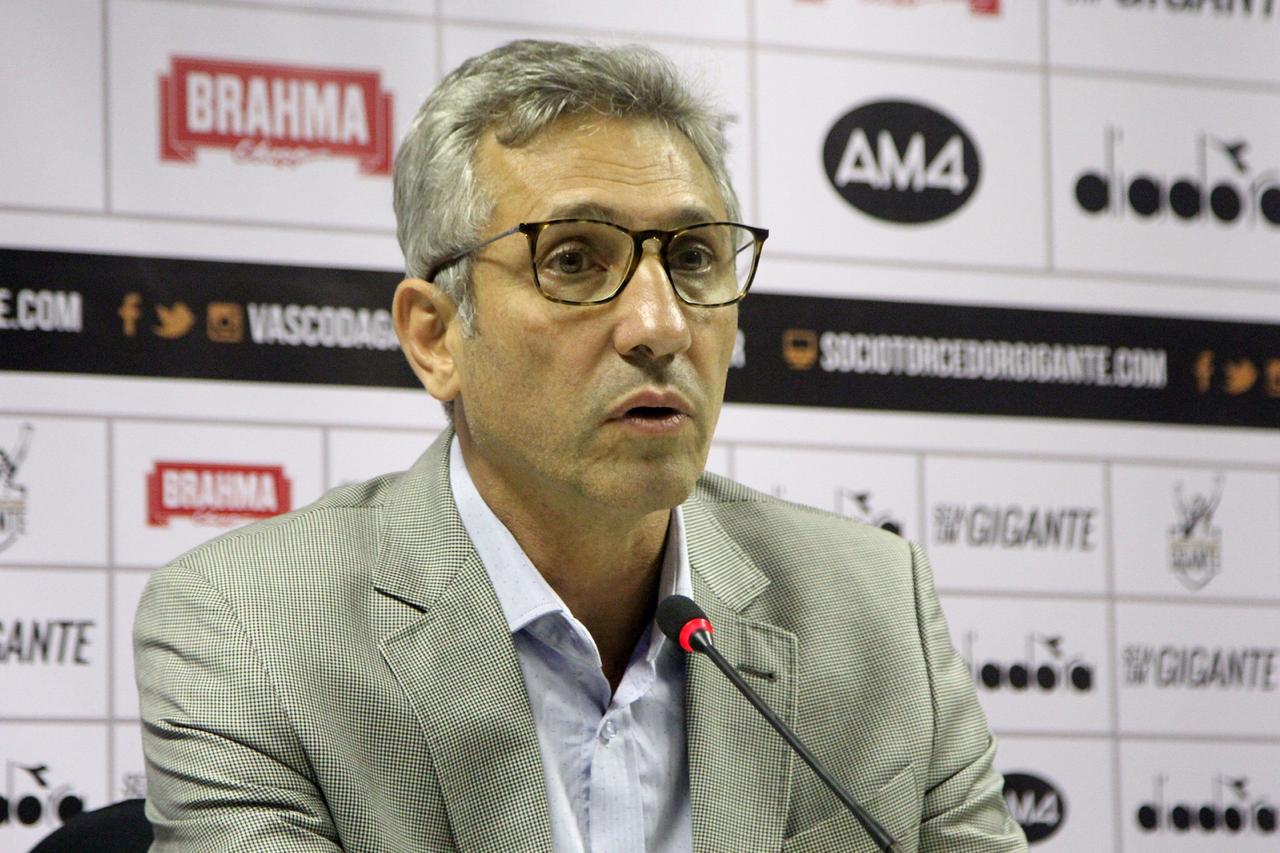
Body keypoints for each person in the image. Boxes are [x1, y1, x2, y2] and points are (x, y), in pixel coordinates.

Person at [134, 40, 1026, 852]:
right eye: (572, 260)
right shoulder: (249, 630)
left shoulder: (876, 612)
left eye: (693, 258)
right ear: (435, 337)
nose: (661, 325)